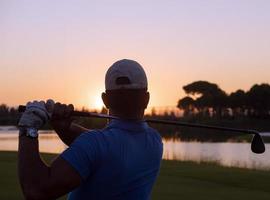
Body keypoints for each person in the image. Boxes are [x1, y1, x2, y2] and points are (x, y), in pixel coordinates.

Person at [18, 59, 163, 200]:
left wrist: (29, 127)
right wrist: (65, 128)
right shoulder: (155, 140)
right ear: (147, 99)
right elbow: (102, 148)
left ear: (105, 100)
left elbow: (36, 190)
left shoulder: (96, 144)